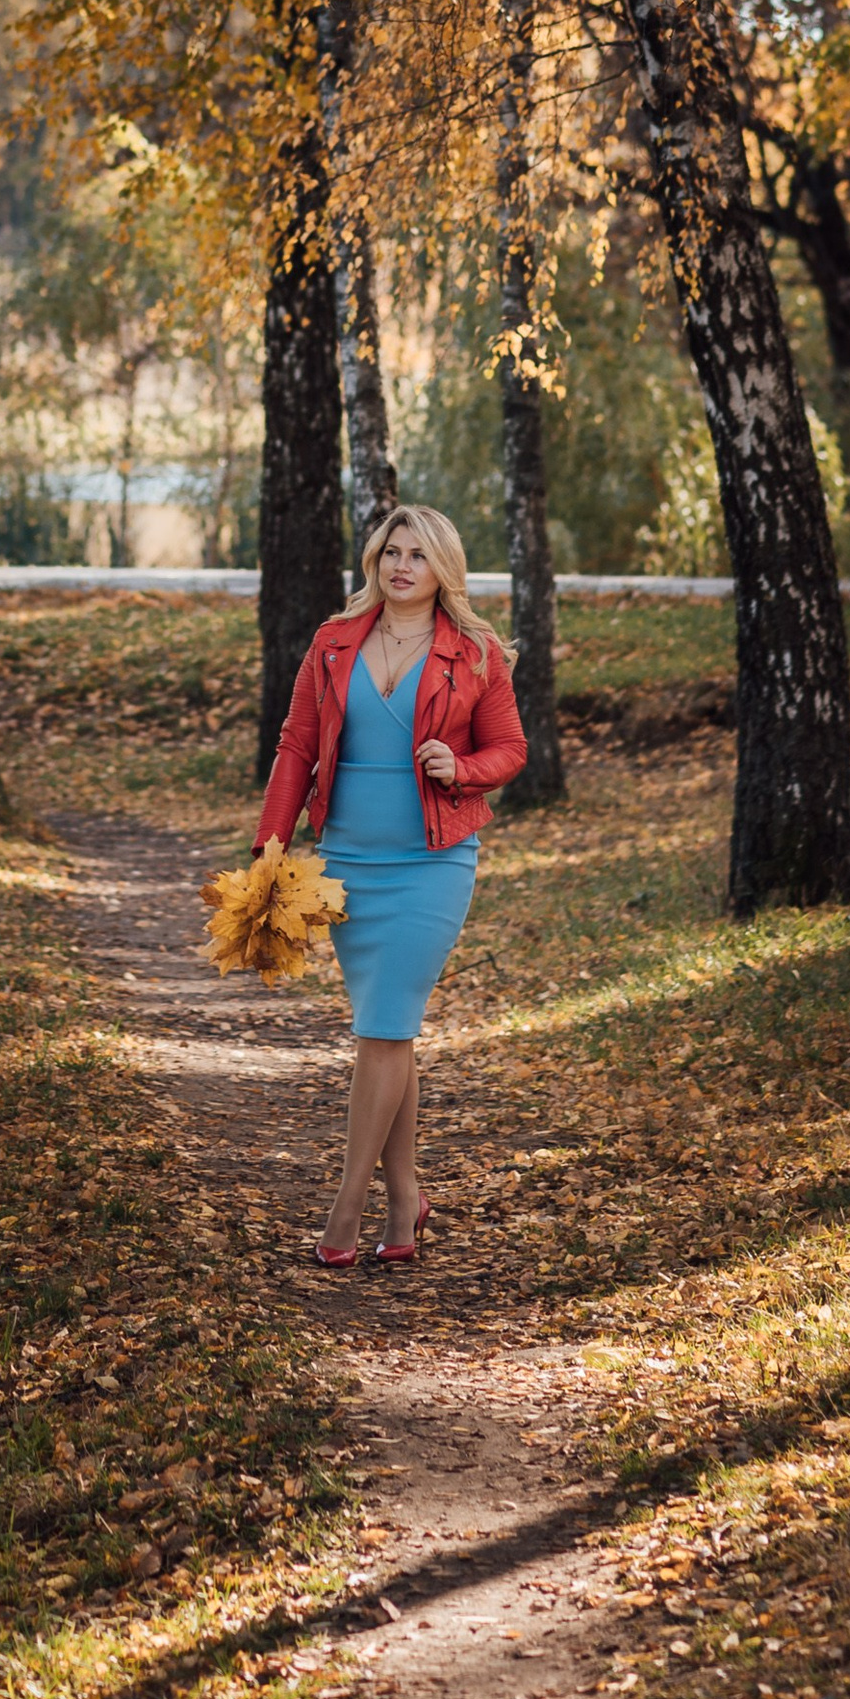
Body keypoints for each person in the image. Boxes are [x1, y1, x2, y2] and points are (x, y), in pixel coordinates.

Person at [252, 501, 527, 1267]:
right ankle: (406, 1202)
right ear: (375, 562)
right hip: (348, 862)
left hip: (432, 862)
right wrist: (271, 847)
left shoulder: (473, 652)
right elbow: (297, 744)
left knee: (383, 1027)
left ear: (444, 568)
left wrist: (461, 768)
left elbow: (510, 748)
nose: (402, 566)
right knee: (390, 1029)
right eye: (390, 552)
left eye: (418, 554)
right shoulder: (334, 643)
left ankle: (346, 1207)